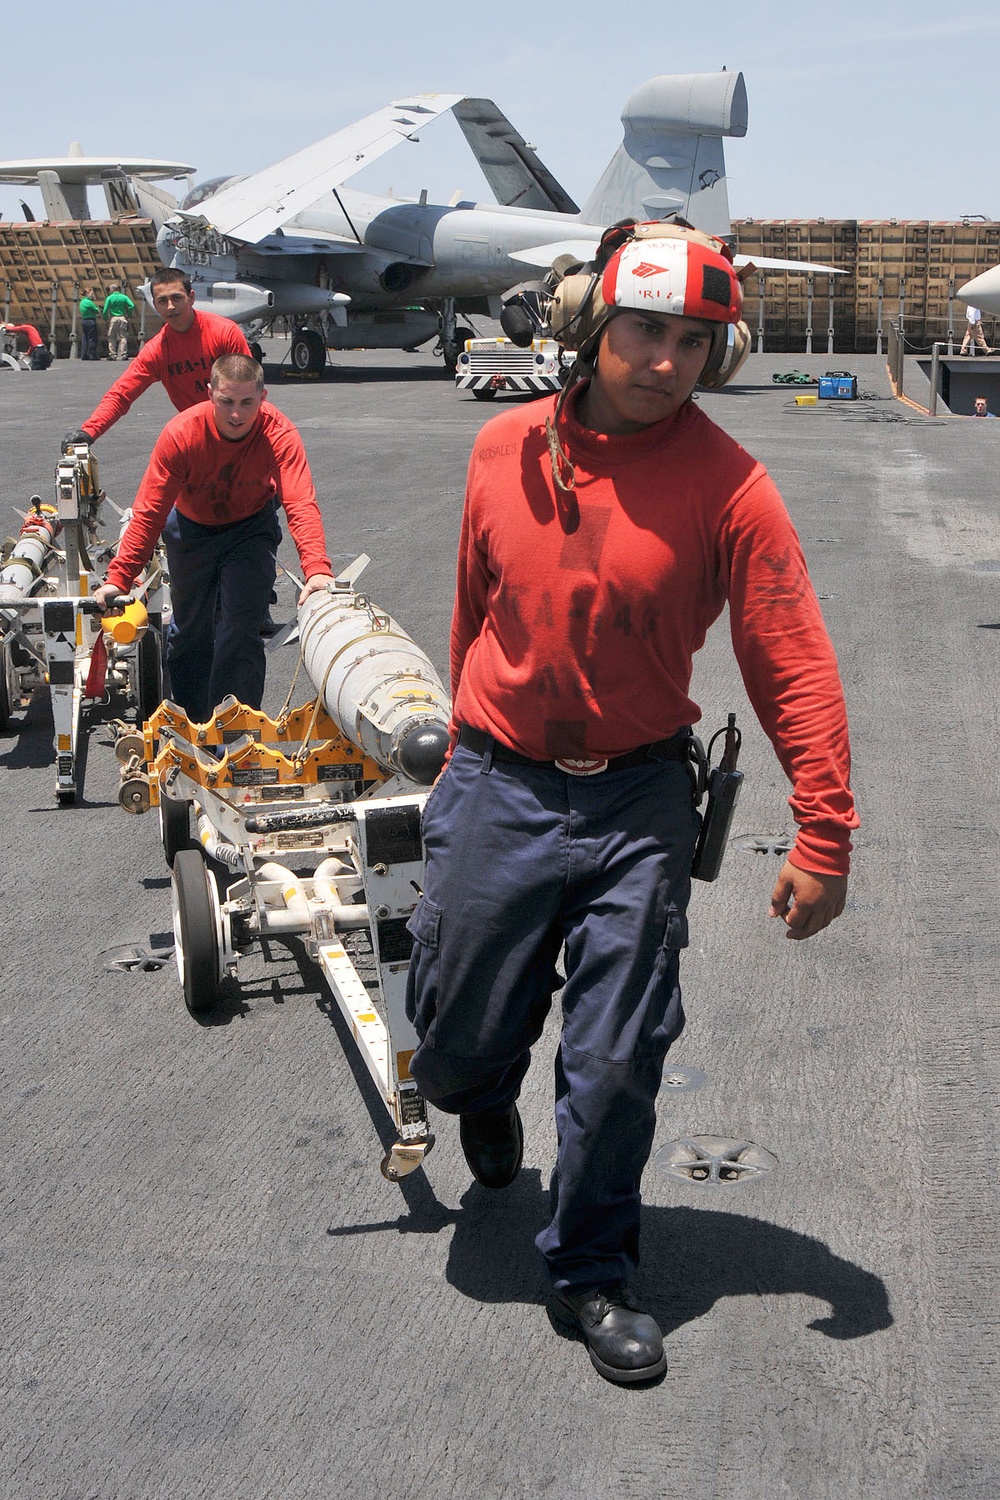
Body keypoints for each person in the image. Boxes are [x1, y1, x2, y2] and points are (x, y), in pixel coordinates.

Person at [404, 221, 858, 1386]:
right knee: (451, 1042)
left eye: (694, 342)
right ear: (589, 328)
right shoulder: (500, 450)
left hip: (639, 804)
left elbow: (788, 658)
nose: (665, 362)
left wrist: (824, 830)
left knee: (617, 1055)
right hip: (496, 780)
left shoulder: (731, 487)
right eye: (645, 332)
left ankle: (593, 1267)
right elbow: (474, 612)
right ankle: (479, 1088)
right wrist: (463, 758)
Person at [92, 354, 335, 722]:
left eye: (247, 403)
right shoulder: (181, 434)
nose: (236, 414)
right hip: (191, 530)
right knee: (191, 632)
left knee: (240, 628)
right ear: (210, 394)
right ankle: (193, 727)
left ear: (263, 397)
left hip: (250, 530)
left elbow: (300, 501)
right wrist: (118, 579)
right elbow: (149, 512)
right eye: (226, 402)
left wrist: (316, 569)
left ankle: (237, 730)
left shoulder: (279, 433)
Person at [63, 269, 251, 446]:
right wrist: (89, 431)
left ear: (191, 298)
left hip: (241, 430)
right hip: (199, 434)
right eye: (162, 301)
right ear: (155, 305)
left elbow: (248, 391)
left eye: (177, 298)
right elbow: (121, 394)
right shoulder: (157, 350)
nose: (170, 306)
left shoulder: (225, 333)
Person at [102, 286, 135, 360]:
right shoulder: (124, 297)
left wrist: (105, 318)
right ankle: (124, 354)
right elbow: (131, 306)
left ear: (112, 290)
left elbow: (105, 309)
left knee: (112, 336)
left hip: (113, 318)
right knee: (123, 337)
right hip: (122, 318)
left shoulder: (109, 298)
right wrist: (129, 314)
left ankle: (112, 354)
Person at [79, 288, 101, 360]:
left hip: (84, 320)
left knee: (85, 338)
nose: (92, 295)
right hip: (91, 321)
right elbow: (96, 310)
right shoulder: (89, 302)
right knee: (92, 338)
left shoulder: (82, 302)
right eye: (91, 294)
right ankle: (93, 355)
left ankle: (84, 355)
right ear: (87, 294)